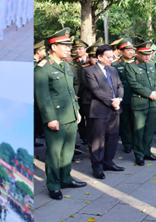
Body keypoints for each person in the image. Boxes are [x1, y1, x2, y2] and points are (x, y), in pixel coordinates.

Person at [34, 29, 85, 200]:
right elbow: (43, 97)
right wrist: (50, 118)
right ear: (54, 47)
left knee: (68, 151)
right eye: (65, 45)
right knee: (54, 154)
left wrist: (76, 110)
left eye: (69, 45)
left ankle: (66, 178)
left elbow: (71, 91)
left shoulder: (65, 65)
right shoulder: (43, 68)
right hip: (56, 117)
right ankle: (54, 185)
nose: (69, 48)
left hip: (70, 115)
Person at [84, 44, 125, 179]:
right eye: (108, 57)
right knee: (98, 139)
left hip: (115, 108)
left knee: (113, 137)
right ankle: (97, 167)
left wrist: (119, 99)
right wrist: (111, 101)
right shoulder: (90, 71)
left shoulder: (113, 69)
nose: (111, 59)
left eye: (112, 57)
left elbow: (120, 86)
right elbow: (95, 90)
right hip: (100, 110)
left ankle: (109, 162)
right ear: (100, 57)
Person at [125, 43, 156, 166]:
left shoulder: (151, 65)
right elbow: (133, 84)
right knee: (139, 131)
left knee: (150, 130)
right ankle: (139, 155)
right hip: (139, 104)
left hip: (153, 103)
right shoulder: (131, 66)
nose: (147, 56)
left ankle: (147, 152)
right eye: (144, 54)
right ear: (138, 53)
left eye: (149, 54)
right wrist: (149, 93)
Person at [111, 38, 136, 154]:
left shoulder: (136, 63)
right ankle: (127, 143)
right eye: (128, 50)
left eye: (132, 49)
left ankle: (136, 142)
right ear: (121, 51)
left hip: (136, 97)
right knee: (125, 122)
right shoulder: (115, 65)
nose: (131, 52)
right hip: (123, 98)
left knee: (136, 121)